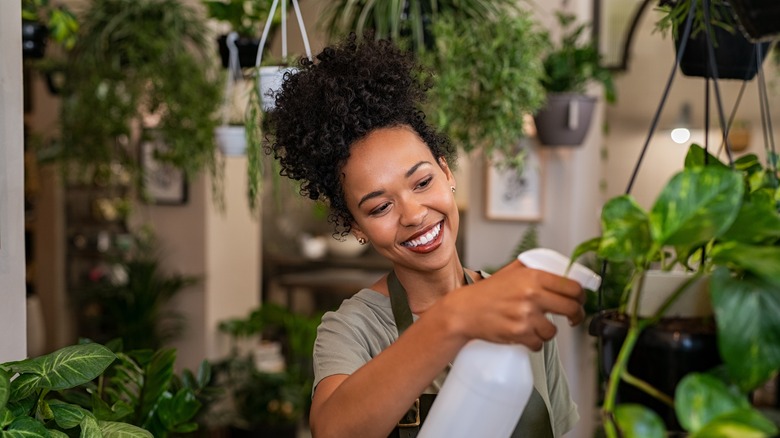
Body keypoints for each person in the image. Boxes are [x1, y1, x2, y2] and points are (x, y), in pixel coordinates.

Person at [265, 34, 586, 438]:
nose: (414, 214)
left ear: (447, 173)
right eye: (380, 207)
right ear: (356, 228)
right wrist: (454, 319)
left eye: (421, 182)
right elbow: (333, 430)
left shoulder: (516, 308)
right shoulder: (355, 329)